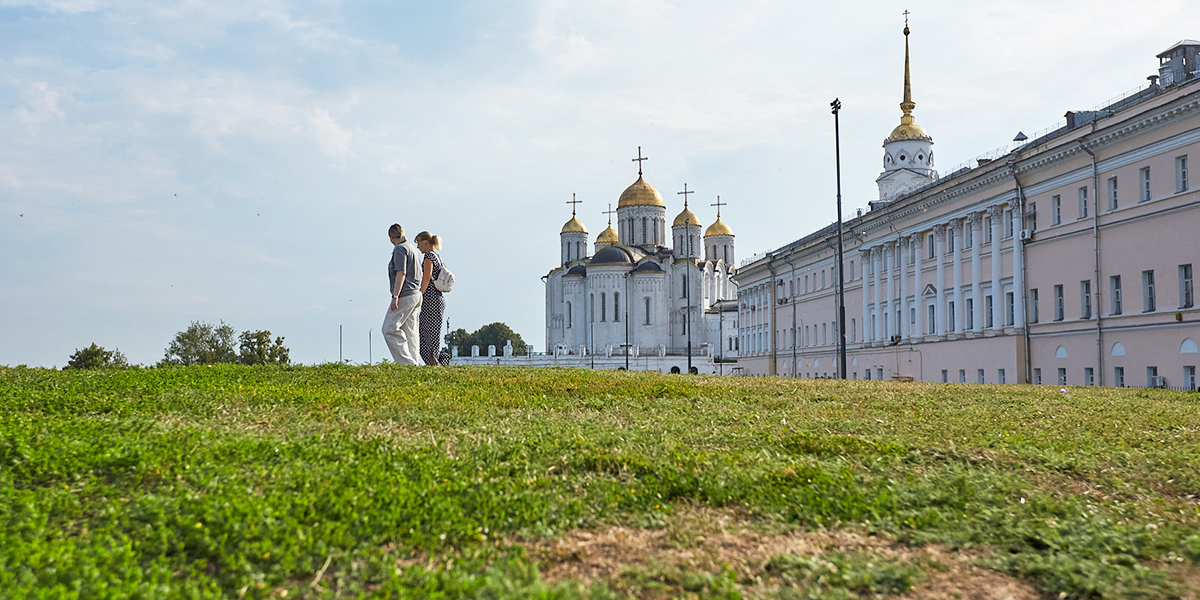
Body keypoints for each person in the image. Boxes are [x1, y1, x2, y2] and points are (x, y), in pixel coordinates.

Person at [383, 223, 422, 365]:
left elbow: (401, 273)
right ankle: (413, 363)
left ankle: (407, 363)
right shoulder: (412, 248)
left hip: (405, 294)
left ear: (391, 237)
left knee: (389, 328)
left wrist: (395, 296)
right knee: (410, 330)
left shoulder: (400, 249)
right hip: (416, 294)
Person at [415, 231, 452, 366]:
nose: (418, 246)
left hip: (430, 299)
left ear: (425, 242)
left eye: (418, 242)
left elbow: (426, 277)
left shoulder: (429, 257)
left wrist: (420, 294)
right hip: (437, 299)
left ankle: (434, 362)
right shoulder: (438, 257)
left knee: (424, 335)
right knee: (432, 335)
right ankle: (438, 360)